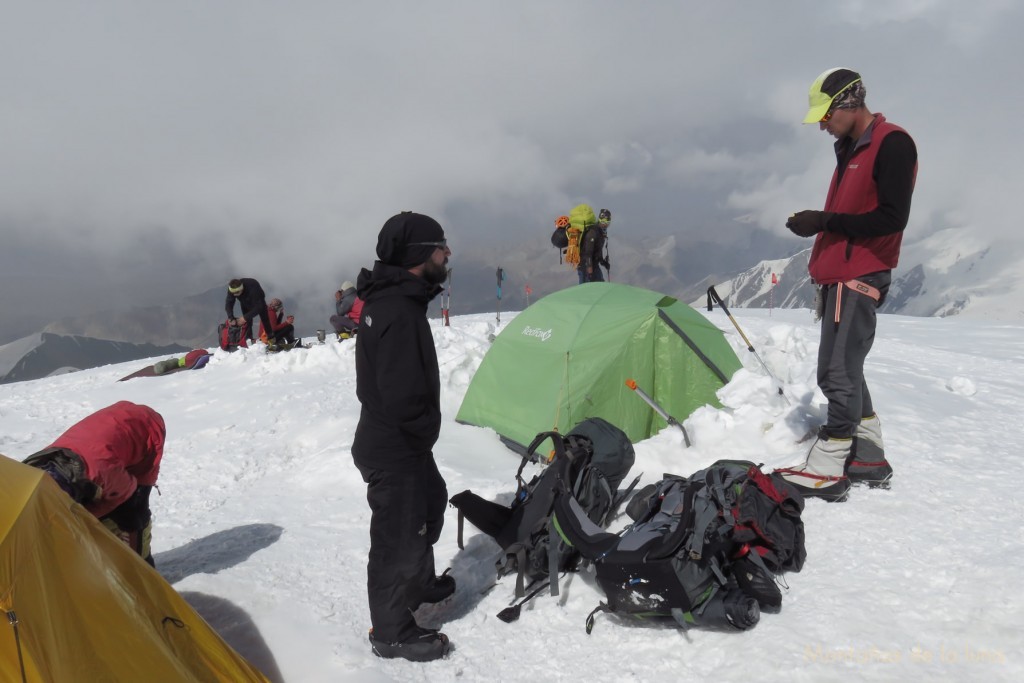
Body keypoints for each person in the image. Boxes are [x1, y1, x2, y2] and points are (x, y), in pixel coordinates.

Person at [776, 68, 917, 502]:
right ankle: (869, 456)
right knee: (848, 367)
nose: (821, 123)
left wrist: (824, 221)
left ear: (847, 104)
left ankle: (828, 466)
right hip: (843, 274)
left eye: (825, 114)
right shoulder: (852, 146)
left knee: (835, 373)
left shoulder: (892, 143)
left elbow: (893, 218)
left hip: (859, 276)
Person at [351, 211, 454, 662]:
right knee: (396, 538)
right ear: (418, 256)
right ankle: (390, 631)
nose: (447, 253)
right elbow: (400, 397)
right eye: (440, 246)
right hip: (396, 448)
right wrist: (423, 426)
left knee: (430, 506)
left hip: (401, 443)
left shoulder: (396, 302)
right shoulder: (397, 312)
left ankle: (421, 583)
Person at [22, 401, 166, 565]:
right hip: (108, 428)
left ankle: (142, 568)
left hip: (146, 429)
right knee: (97, 513)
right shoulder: (31, 470)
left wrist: (87, 515)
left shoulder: (100, 470)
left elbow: (128, 488)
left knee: (133, 514)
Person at [225, 277, 274, 344]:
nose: (234, 295)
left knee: (265, 319)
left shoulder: (252, 286)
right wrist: (231, 317)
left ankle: (271, 337)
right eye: (233, 293)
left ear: (241, 289)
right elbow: (229, 303)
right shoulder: (232, 289)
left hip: (258, 300)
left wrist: (244, 318)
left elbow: (259, 307)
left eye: (236, 293)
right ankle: (248, 339)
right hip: (244, 302)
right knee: (248, 322)